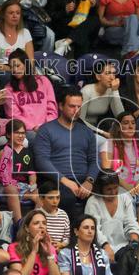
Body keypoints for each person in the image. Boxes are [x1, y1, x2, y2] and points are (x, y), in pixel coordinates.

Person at [33, 89, 99, 219]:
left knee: (108, 190)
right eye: (71, 106)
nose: (76, 110)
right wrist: (65, 181)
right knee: (66, 197)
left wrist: (90, 181)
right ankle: (70, 237)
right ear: (61, 106)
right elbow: (41, 161)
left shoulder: (86, 132)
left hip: (84, 180)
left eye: (79, 107)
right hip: (57, 181)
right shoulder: (46, 130)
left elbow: (94, 159)